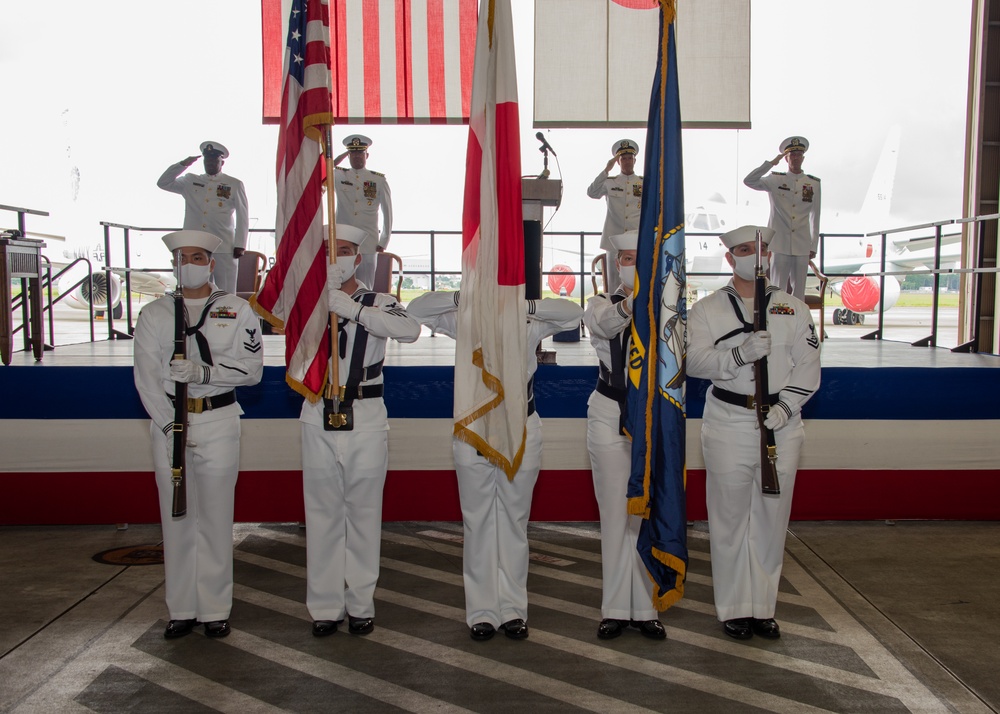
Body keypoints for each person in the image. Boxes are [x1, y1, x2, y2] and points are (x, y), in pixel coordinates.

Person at [407, 291, 582, 641]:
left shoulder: (527, 322)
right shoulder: (465, 319)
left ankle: (514, 610)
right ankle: (482, 612)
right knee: (478, 523)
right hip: (474, 430)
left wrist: (523, 305)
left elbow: (573, 316)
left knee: (514, 523)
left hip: (520, 427)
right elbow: (416, 310)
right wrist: (468, 296)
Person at [687, 225, 821, 641]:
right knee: (728, 520)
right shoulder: (707, 309)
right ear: (730, 258)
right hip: (729, 421)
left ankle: (762, 607)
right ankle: (733, 608)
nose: (755, 256)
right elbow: (693, 361)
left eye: (762, 249)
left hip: (782, 424)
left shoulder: (793, 308)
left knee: (770, 519)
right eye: (745, 250)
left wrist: (785, 407)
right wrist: (739, 354)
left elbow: (809, 366)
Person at [133, 229, 264, 640]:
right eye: (181, 258)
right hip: (169, 422)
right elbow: (146, 379)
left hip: (218, 419)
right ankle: (182, 608)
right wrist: (169, 423)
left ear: (211, 263)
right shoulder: (154, 314)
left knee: (215, 517)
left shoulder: (236, 309)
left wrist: (206, 373)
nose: (188, 264)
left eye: (196, 257)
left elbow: (253, 371)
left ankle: (214, 609)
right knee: (177, 520)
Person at [303, 224, 420, 638]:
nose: (338, 257)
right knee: (321, 515)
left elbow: (409, 330)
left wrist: (351, 309)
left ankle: (360, 604)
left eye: (346, 250)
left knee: (364, 514)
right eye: (330, 250)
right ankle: (324, 607)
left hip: (366, 412)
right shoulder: (307, 301)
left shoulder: (379, 301)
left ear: (359, 257)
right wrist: (320, 301)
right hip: (317, 409)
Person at [582, 230, 665, 641]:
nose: (630, 265)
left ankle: (647, 608)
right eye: (625, 258)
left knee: (647, 511)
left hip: (652, 414)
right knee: (615, 513)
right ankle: (616, 607)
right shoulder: (601, 303)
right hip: (610, 409)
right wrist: (637, 301)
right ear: (616, 264)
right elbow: (605, 324)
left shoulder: (667, 309)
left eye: (639, 258)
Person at [157, 142, 250, 295]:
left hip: (223, 246)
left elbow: (243, 215)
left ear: (222, 162)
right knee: (195, 290)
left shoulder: (234, 184)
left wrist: (240, 244)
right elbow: (163, 183)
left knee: (226, 292)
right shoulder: (190, 180)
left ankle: (225, 320)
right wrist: (183, 164)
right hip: (195, 247)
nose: (210, 164)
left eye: (214, 160)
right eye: (207, 160)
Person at [743, 136, 821, 301]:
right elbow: (749, 180)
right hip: (780, 244)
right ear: (786, 158)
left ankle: (797, 324)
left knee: (799, 293)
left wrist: (813, 245)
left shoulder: (812, 184)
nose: (795, 158)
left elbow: (815, 216)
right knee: (777, 290)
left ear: (803, 158)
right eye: (792, 155)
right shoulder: (775, 179)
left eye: (799, 154)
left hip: (802, 244)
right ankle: (777, 324)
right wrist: (771, 163)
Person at [333, 134, 393, 290]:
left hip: (368, 242)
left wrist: (383, 240)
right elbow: (322, 170)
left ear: (367, 155)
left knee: (366, 286)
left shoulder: (378, 180)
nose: (357, 156)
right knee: (340, 283)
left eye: (360, 153)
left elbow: (388, 212)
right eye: (352, 153)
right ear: (348, 155)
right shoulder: (338, 175)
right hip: (343, 241)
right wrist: (338, 159)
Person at [587, 139, 643, 294]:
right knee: (614, 284)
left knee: (638, 281)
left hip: (635, 242)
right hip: (614, 241)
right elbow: (592, 192)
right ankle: (614, 313)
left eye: (630, 158)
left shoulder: (643, 183)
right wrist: (606, 170)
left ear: (635, 160)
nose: (627, 162)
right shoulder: (610, 182)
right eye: (623, 158)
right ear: (618, 162)